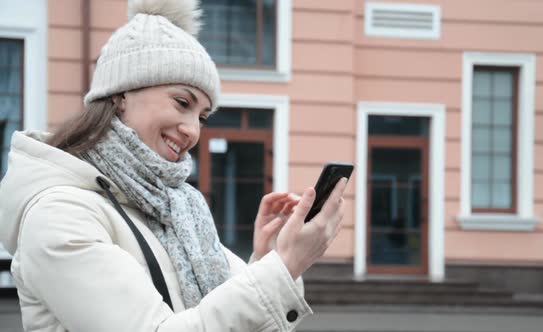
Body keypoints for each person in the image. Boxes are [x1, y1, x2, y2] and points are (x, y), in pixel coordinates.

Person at [0, 0, 348, 331]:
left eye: (202, 117)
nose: (193, 131)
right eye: (182, 102)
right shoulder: (59, 214)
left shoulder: (178, 209)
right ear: (121, 95)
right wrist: (285, 266)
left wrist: (267, 258)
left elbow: (222, 316)